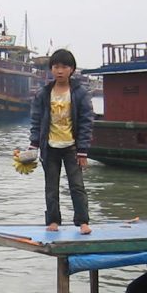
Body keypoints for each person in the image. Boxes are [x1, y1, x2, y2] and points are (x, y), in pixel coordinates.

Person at [29, 49, 95, 235]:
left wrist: (83, 151)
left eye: (64, 67)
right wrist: (33, 145)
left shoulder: (80, 93)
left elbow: (86, 122)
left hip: (72, 147)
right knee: (51, 187)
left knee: (77, 186)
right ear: (51, 69)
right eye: (56, 67)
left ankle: (82, 222)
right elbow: (36, 120)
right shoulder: (44, 93)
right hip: (49, 147)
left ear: (71, 69)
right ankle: (53, 221)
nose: (60, 71)